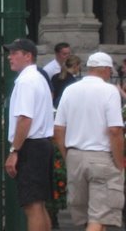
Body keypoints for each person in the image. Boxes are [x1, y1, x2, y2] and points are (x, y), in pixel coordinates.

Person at [53, 52, 124, 231]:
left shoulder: (70, 89)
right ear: (106, 70)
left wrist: (67, 155)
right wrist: (119, 162)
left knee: (88, 217)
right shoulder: (109, 91)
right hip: (102, 157)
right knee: (100, 215)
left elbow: (58, 130)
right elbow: (115, 130)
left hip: (75, 155)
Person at [4, 37, 56, 231]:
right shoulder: (39, 78)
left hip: (31, 146)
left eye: (14, 53)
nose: (10, 57)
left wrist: (14, 151)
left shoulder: (26, 81)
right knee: (39, 204)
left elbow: (25, 119)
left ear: (28, 56)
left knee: (32, 206)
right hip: (42, 144)